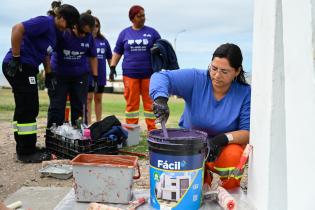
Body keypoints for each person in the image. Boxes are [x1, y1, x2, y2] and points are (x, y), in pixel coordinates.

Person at [150, 43, 251, 189]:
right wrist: (160, 98)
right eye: (214, 68)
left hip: (223, 147)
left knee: (234, 154)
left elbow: (247, 132)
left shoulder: (245, 92)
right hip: (192, 147)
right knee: (195, 190)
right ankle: (204, 178)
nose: (216, 75)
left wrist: (221, 139)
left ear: (237, 71)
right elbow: (160, 76)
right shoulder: (196, 79)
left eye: (224, 71)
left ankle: (229, 191)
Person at [2, 1, 80, 163]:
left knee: (25, 106)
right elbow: (17, 28)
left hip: (30, 66)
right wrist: (16, 58)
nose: (67, 28)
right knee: (29, 107)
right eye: (68, 23)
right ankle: (26, 152)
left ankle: (24, 146)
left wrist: (49, 73)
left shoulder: (55, 33)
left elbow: (46, 53)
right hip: (19, 65)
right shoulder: (45, 22)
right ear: (59, 17)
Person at [110, 5, 161, 131]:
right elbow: (117, 52)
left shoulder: (152, 33)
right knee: (132, 105)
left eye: (144, 15)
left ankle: (152, 130)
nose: (143, 18)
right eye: (140, 16)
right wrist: (112, 67)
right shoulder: (124, 33)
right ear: (132, 18)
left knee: (150, 104)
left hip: (149, 74)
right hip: (130, 74)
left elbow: (161, 50)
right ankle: (132, 130)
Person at [47, 10, 98, 128]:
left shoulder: (89, 37)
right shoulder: (64, 34)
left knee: (80, 107)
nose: (83, 35)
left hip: (80, 76)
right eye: (81, 32)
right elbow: (48, 52)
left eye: (86, 33)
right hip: (59, 75)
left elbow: (93, 57)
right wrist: (48, 72)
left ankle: (79, 135)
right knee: (57, 107)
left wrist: (95, 77)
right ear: (75, 26)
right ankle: (54, 136)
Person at [87, 16, 112, 124]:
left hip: (101, 75)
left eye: (97, 26)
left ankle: (98, 123)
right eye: (93, 26)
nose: (95, 28)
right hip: (88, 74)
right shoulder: (85, 39)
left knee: (98, 99)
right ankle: (87, 124)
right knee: (88, 98)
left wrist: (112, 70)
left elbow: (110, 57)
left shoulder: (103, 41)